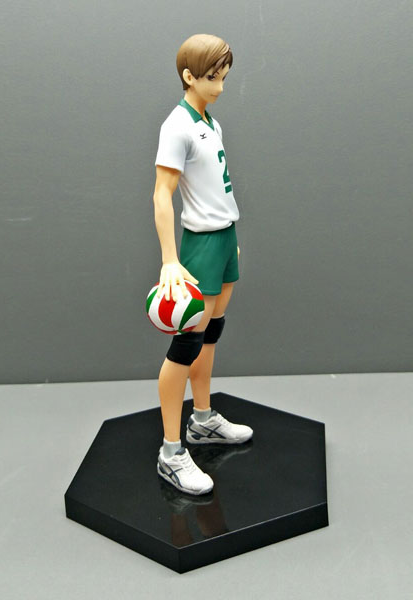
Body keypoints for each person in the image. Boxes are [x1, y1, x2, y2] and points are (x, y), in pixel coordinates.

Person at [153, 34, 253, 496]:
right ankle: (171, 452)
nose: (221, 86)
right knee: (186, 346)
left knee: (212, 333)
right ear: (189, 76)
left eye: (224, 76)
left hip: (224, 237)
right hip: (201, 245)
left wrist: (230, 239)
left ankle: (203, 418)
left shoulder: (210, 121)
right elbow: (162, 193)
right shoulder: (176, 126)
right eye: (213, 77)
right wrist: (170, 259)